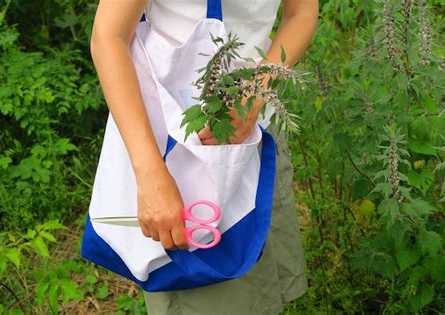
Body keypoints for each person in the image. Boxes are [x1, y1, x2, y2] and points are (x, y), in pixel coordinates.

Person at [89, 0, 318, 313]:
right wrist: (151, 175)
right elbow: (108, 36)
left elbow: (301, 13)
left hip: (255, 135)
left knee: (259, 288)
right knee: (207, 295)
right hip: (177, 150)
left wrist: (256, 92)